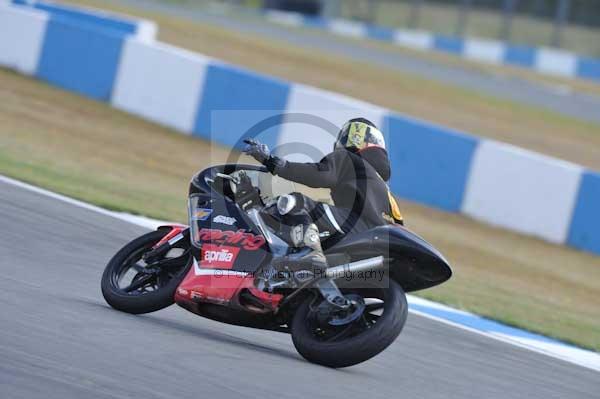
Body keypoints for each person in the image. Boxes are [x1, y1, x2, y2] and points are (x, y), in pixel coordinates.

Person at [243, 117, 403, 271]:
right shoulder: (384, 187)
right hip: (381, 242)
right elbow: (399, 225)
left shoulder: (349, 158)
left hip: (355, 227)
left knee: (294, 202)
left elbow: (319, 176)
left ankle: (310, 253)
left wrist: (271, 161)